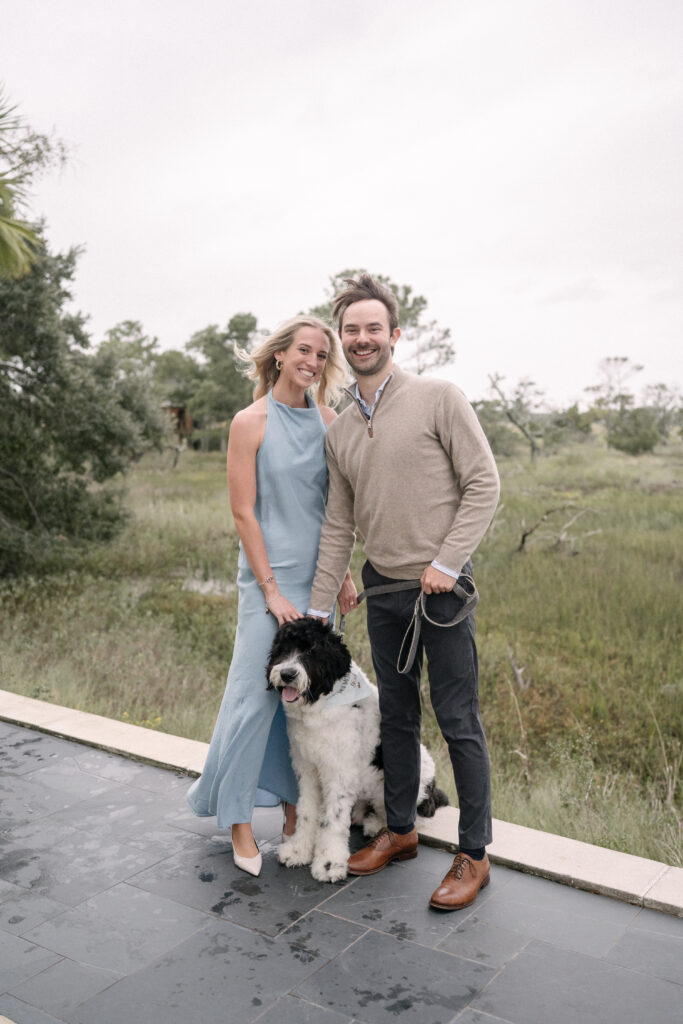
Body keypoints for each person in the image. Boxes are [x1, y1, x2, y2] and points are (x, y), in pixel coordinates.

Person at [308, 274, 500, 910]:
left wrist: (448, 560)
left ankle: (473, 854)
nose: (362, 339)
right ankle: (400, 832)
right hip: (382, 591)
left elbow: (483, 484)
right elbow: (338, 524)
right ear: (344, 340)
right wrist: (315, 611)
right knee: (395, 713)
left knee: (457, 719)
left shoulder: (439, 397)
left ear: (394, 334)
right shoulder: (338, 433)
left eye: (373, 328)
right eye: (351, 331)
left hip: (441, 593)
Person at [187, 315, 356, 876]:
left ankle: (294, 813)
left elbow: (335, 510)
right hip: (268, 581)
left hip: (318, 581)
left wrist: (344, 575)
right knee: (255, 696)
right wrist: (270, 592)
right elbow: (243, 512)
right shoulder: (249, 421)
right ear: (280, 355)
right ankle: (237, 819)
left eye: (320, 355)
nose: (311, 361)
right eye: (302, 350)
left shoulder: (331, 420)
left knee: (306, 703)